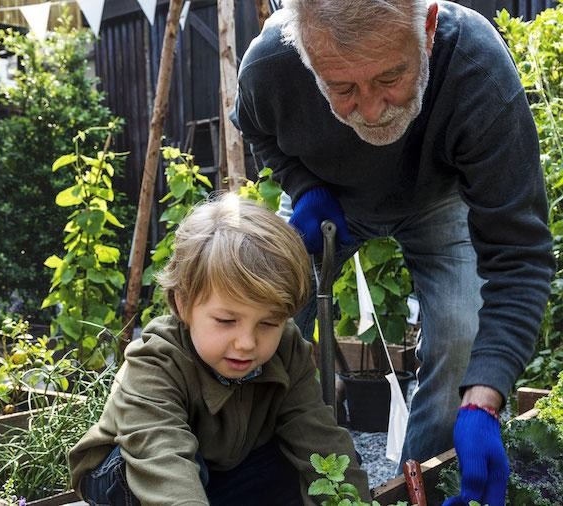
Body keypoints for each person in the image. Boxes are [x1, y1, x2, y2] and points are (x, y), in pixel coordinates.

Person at [233, 0, 555, 504]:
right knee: (252, 304)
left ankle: (419, 484)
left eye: (390, 78)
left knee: (461, 336)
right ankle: (254, 464)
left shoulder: (476, 69)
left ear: (426, 31)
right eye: (341, 88)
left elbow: (519, 251)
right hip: (332, 199)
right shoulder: (271, 65)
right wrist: (303, 184)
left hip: (439, 199)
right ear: (307, 57)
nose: (371, 108)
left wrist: (484, 397)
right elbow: (257, 129)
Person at [69, 192, 370, 505]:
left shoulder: (287, 348)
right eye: (227, 321)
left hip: (222, 469)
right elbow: (163, 459)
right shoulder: (155, 361)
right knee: (164, 469)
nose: (247, 343)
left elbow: (317, 436)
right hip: (136, 469)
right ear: (183, 303)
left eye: (268, 324)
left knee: (327, 466)